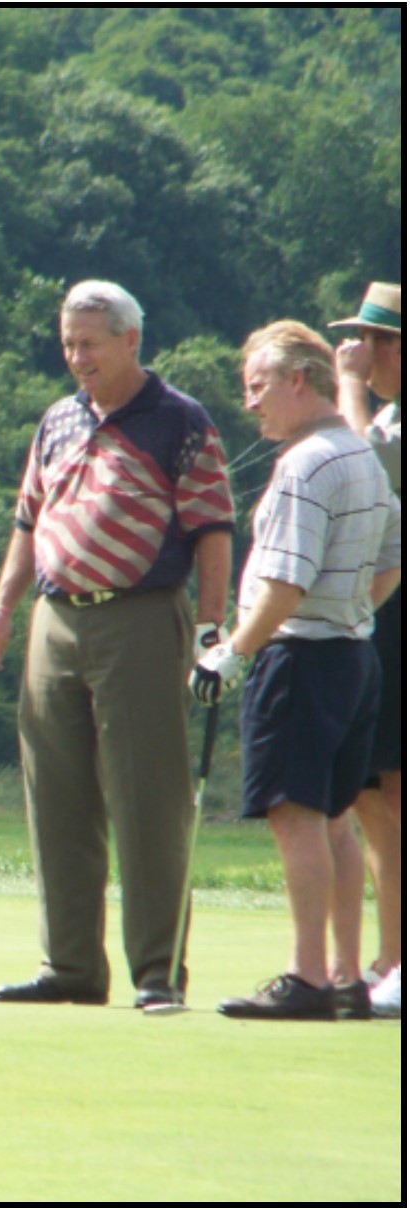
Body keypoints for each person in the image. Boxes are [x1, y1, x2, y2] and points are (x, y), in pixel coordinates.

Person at [0, 280, 234, 1010]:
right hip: (55, 619)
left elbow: (213, 533)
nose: (75, 356)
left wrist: (212, 634)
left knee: (147, 796)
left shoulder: (179, 421)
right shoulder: (57, 419)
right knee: (54, 795)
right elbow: (29, 523)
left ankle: (158, 972)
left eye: (89, 342)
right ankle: (72, 969)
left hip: (143, 616)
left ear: (130, 340)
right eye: (67, 343)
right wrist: (1, 610)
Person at [194, 322, 402, 1020]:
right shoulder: (362, 454)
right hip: (353, 654)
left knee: (297, 816)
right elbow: (389, 567)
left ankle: (308, 976)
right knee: (337, 816)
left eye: (258, 387)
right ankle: (344, 974)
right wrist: (344, 615)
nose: (251, 404)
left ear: (297, 380)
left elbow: (284, 582)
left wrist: (233, 652)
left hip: (302, 655)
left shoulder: (306, 463)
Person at [330, 282, 404, 1020]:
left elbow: (366, 480)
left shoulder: (383, 421)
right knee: (373, 792)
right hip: (383, 618)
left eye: (376, 340)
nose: (363, 352)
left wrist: (346, 387)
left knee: (393, 792)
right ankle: (391, 955)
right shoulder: (386, 415)